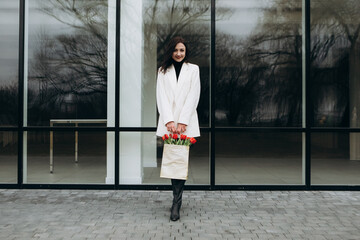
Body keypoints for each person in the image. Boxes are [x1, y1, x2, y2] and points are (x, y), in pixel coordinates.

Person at [156, 36, 201, 221]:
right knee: (172, 160)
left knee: (181, 160)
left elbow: (194, 95)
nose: (179, 53)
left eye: (182, 50)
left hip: (185, 123)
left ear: (186, 51)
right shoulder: (162, 71)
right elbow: (161, 96)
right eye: (175, 50)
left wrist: (183, 121)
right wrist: (169, 121)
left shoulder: (193, 70)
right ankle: (176, 199)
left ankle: (177, 202)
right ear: (171, 51)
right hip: (169, 124)